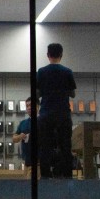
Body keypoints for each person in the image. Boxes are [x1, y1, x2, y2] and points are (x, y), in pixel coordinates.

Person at [36, 43, 77, 178]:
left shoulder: (41, 72)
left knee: (45, 147)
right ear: (61, 55)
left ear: (48, 55)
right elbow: (72, 94)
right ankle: (67, 176)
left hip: (46, 113)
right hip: (63, 114)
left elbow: (37, 93)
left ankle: (46, 176)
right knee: (65, 147)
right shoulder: (67, 72)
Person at [12, 98, 34, 170]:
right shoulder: (23, 123)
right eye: (27, 106)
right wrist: (20, 136)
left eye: (31, 105)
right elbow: (14, 139)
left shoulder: (43, 121)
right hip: (27, 161)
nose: (29, 107)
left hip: (41, 161)